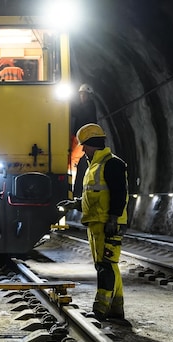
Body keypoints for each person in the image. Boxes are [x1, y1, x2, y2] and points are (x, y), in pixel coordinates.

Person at [58, 123, 129, 324]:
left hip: (107, 223)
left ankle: (100, 310)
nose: (83, 150)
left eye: (84, 146)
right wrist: (75, 204)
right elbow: (94, 196)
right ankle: (116, 310)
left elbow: (119, 194)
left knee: (105, 266)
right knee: (108, 265)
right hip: (97, 222)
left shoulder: (112, 163)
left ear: (92, 144)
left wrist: (113, 218)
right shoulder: (95, 166)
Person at [70, 84, 97, 197]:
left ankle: (71, 187)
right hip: (79, 137)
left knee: (73, 160)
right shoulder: (86, 106)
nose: (82, 96)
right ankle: (73, 187)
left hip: (83, 138)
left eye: (84, 94)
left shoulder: (89, 106)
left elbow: (77, 112)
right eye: (81, 94)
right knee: (74, 161)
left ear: (89, 96)